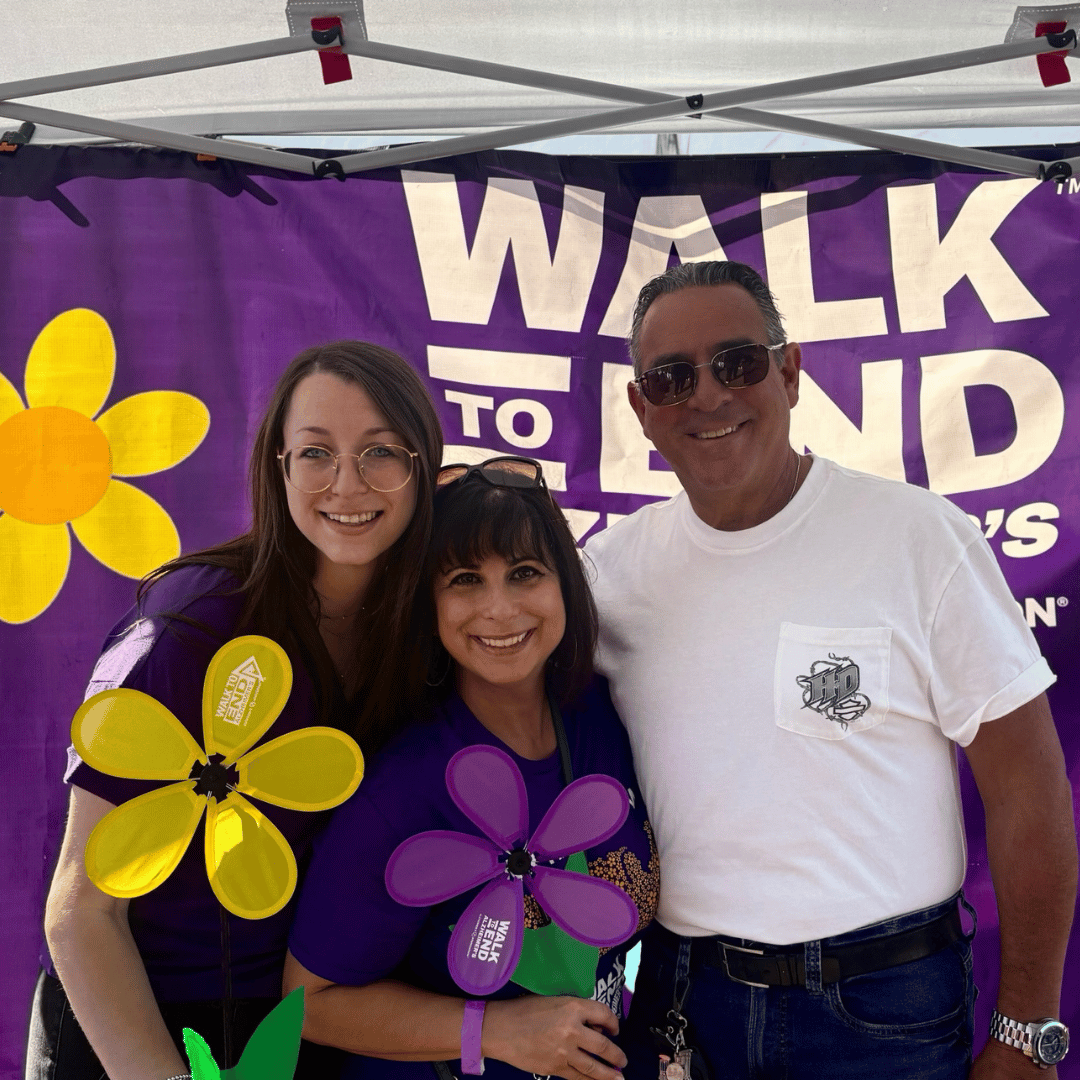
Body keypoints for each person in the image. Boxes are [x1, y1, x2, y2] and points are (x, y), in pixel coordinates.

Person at [584, 261, 1077, 1080]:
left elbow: (1029, 788)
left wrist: (1028, 1029)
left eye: (737, 363)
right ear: (641, 409)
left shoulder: (920, 539)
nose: (707, 396)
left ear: (789, 370)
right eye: (671, 378)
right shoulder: (609, 575)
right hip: (682, 1009)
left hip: (886, 1012)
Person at [28, 341, 444, 1080]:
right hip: (132, 1029)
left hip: (292, 1032)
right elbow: (81, 914)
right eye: (316, 453)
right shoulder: (191, 625)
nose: (347, 482)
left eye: (381, 451)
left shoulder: (423, 631)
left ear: (422, 467)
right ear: (277, 467)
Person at [284, 456, 660, 1080]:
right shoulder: (405, 784)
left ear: (565, 582)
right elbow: (310, 1005)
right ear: (427, 602)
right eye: (464, 579)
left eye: (525, 572)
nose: (500, 609)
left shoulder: (604, 715)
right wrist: (496, 1031)